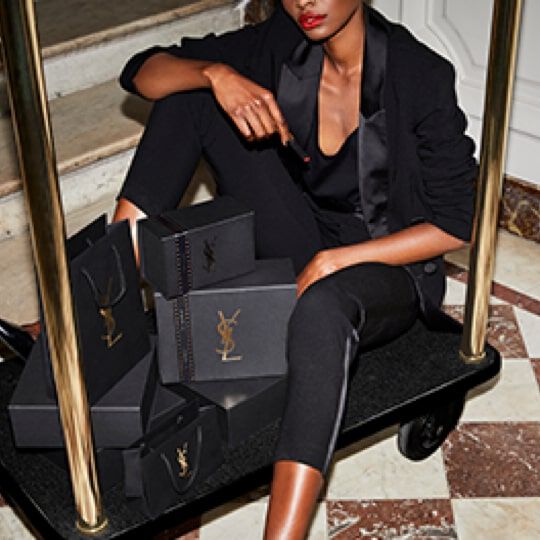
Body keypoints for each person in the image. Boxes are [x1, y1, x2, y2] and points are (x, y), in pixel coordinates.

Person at [113, 1, 477, 538]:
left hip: (388, 263)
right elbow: (141, 73)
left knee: (322, 308)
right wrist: (216, 74)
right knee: (188, 95)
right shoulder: (285, 41)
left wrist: (339, 259)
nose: (305, 1)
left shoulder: (418, 73)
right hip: (304, 233)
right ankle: (104, 301)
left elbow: (458, 223)